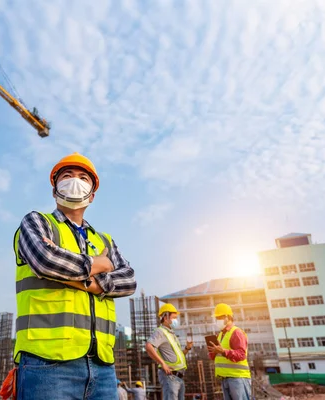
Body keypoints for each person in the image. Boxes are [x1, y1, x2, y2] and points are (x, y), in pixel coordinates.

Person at [13, 152, 137, 400]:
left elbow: (129, 280)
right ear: (54, 189)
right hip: (47, 363)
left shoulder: (104, 240)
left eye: (82, 177)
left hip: (102, 365)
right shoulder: (37, 222)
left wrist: (90, 282)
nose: (74, 181)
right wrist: (99, 263)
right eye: (67, 176)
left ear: (91, 194)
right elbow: (45, 260)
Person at [146, 303, 193, 400]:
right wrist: (162, 363)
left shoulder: (171, 334)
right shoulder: (160, 332)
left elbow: (177, 356)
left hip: (179, 376)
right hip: (170, 376)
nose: (176, 320)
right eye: (174, 318)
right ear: (166, 317)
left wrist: (187, 349)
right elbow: (149, 346)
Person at [207, 303, 252, 400]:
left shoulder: (236, 332)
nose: (217, 320)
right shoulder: (219, 335)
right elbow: (213, 357)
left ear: (227, 317)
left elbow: (241, 355)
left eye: (219, 317)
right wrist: (213, 351)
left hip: (238, 378)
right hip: (225, 378)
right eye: (216, 318)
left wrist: (223, 352)